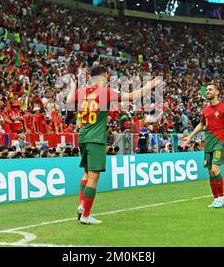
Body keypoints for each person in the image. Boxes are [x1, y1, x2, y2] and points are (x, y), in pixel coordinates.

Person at [66, 65, 160, 225]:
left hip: (82, 136)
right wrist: (149, 86)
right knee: (94, 176)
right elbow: (131, 96)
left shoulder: (82, 92)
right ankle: (86, 215)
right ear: (105, 76)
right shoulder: (106, 92)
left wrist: (73, 87)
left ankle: (82, 205)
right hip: (96, 138)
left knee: (87, 173)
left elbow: (68, 101)